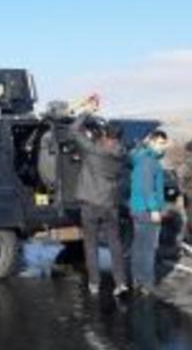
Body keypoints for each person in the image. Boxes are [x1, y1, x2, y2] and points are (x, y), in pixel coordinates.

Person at [71, 114, 128, 297]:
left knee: (91, 244)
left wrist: (86, 113)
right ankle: (120, 283)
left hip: (90, 204)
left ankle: (94, 283)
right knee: (115, 244)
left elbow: (73, 130)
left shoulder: (94, 150)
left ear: (105, 134)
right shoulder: (122, 153)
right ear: (119, 136)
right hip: (110, 204)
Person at [129, 130, 169, 295]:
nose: (163, 147)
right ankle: (147, 283)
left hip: (138, 208)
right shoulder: (148, 162)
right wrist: (154, 209)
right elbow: (147, 188)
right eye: (160, 143)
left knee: (139, 246)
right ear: (151, 142)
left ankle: (137, 279)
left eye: (164, 143)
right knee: (147, 248)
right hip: (146, 210)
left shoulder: (143, 158)